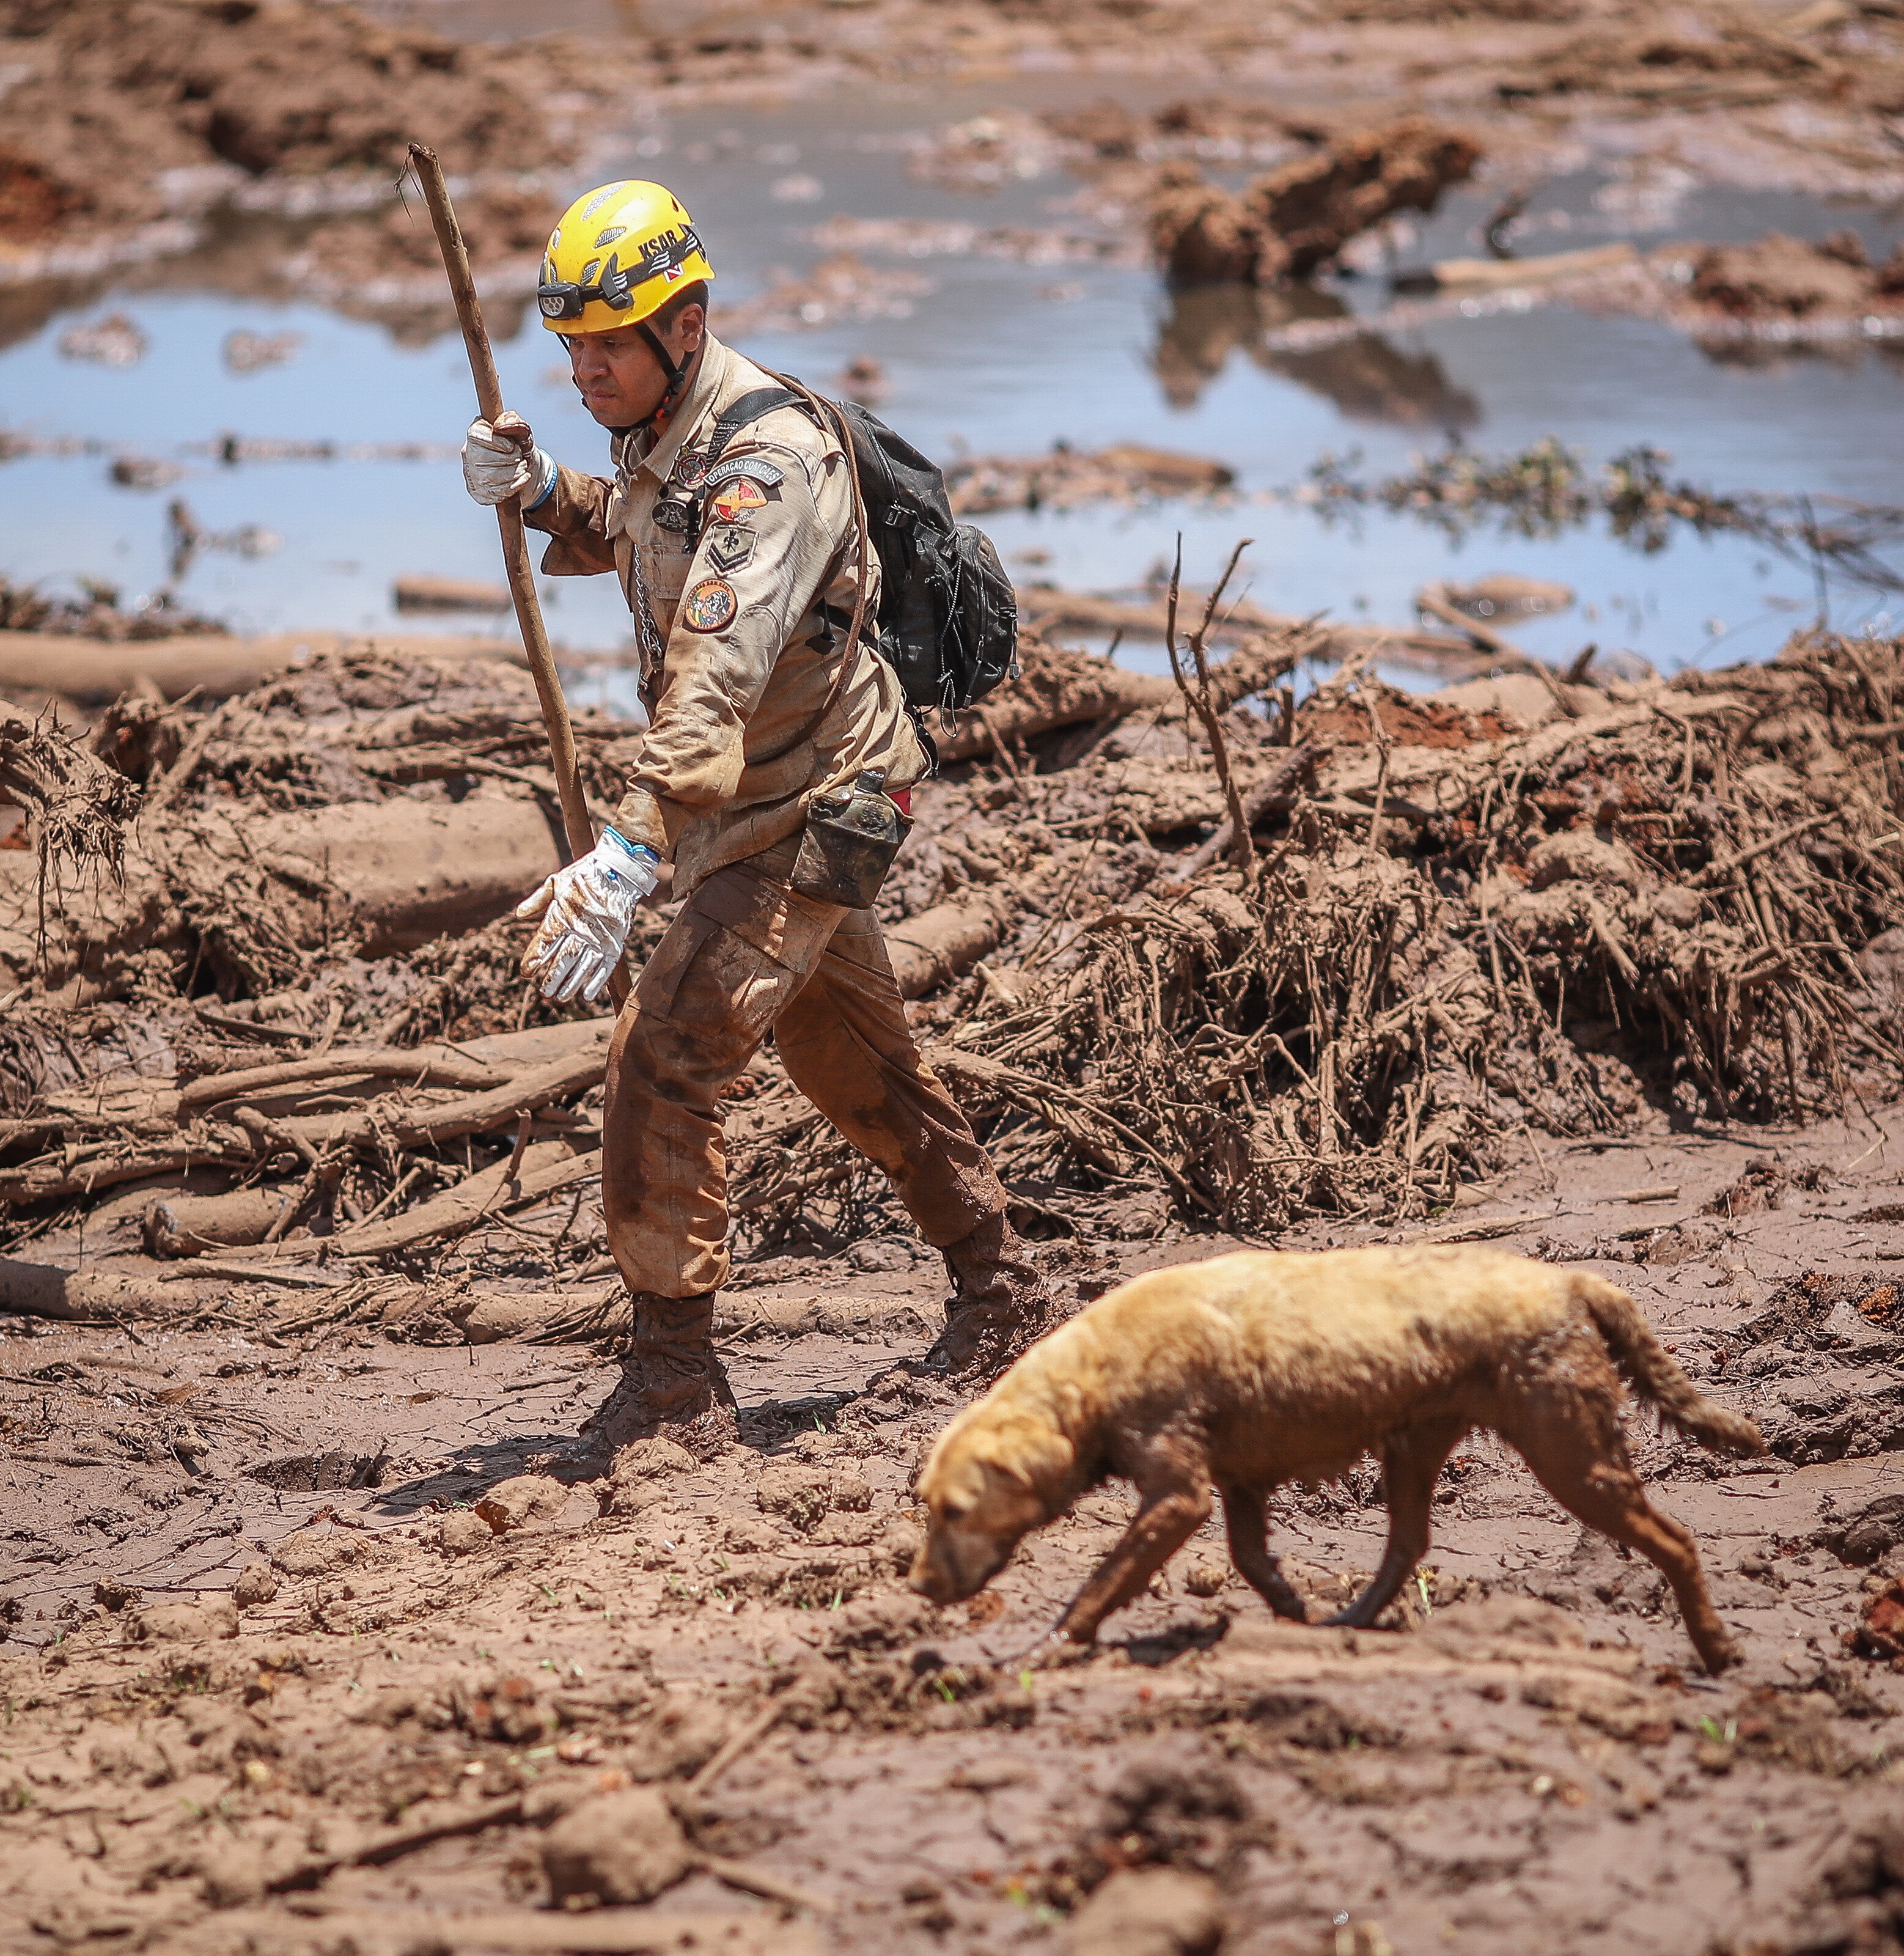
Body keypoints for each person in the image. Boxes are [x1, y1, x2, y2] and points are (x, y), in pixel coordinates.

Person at [460, 180, 1053, 1454]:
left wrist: (627, 852)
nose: (582, 371)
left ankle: (675, 1383)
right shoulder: (668, 431)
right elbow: (632, 533)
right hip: (764, 793)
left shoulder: (763, 465)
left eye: (605, 347)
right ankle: (1003, 1297)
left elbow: (716, 681)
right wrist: (542, 486)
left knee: (666, 1052)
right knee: (848, 1051)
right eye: (568, 348)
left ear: (686, 323)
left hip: (818, 798)